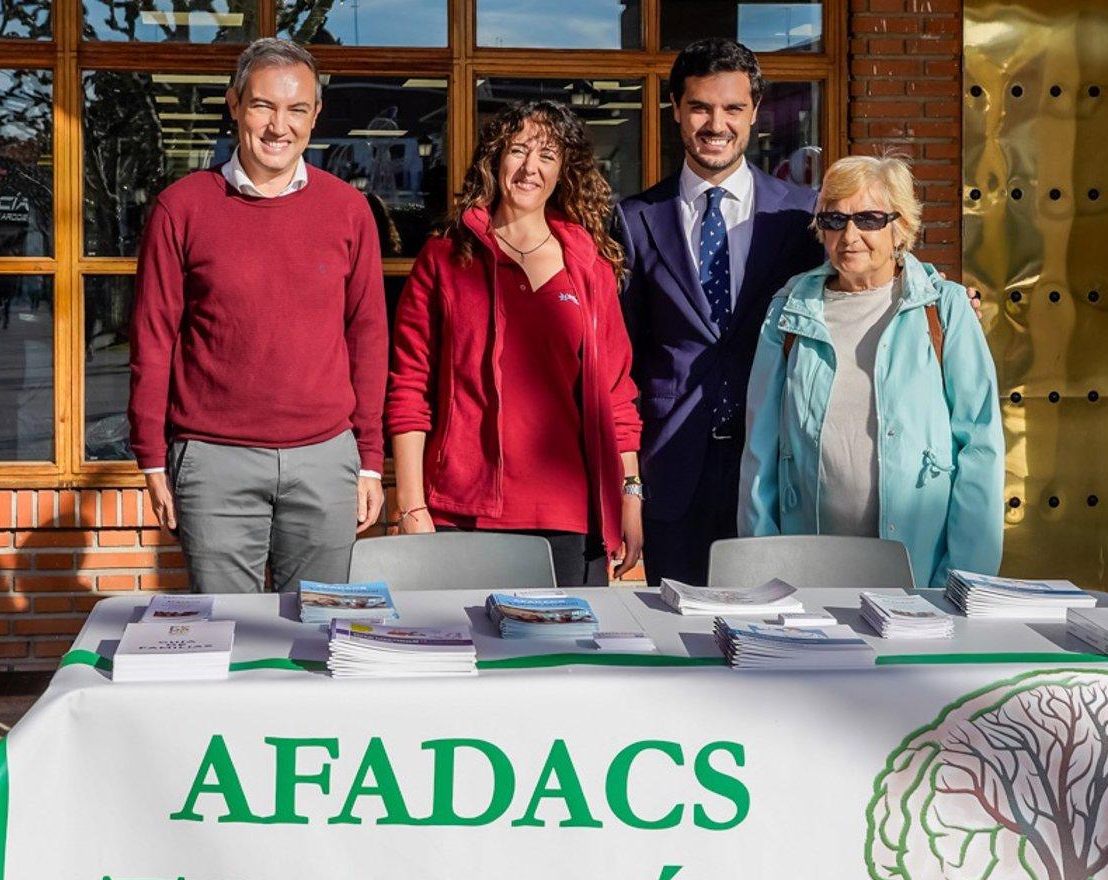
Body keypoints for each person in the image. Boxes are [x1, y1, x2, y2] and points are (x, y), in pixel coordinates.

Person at [128, 38, 387, 592]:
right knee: (225, 636)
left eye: (296, 109)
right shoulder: (183, 207)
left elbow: (367, 337)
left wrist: (369, 459)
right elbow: (154, 338)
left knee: (318, 632)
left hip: (325, 457)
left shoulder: (349, 210)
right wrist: (151, 457)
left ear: (315, 116)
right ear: (235, 105)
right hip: (214, 460)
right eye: (264, 106)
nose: (279, 126)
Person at [386, 100, 643, 588]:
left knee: (564, 662)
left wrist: (629, 494)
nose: (530, 168)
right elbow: (409, 391)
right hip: (463, 513)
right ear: (494, 158)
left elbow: (617, 392)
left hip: (571, 515)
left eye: (547, 155)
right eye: (518, 150)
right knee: (471, 659)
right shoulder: (444, 260)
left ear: (564, 170)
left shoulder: (589, 266)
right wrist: (411, 505)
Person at [737, 154, 1003, 588]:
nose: (850, 235)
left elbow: (980, 447)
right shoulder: (789, 310)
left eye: (869, 219)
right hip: (807, 571)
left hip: (920, 569)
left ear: (900, 226)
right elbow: (761, 451)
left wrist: (964, 580)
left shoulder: (945, 308)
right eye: (835, 220)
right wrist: (763, 570)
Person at [616, 38, 825, 587]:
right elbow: (623, 359)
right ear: (676, 110)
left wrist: (936, 291)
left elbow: (860, 280)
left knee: (776, 635)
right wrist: (629, 481)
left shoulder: (803, 214)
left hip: (776, 463)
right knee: (679, 642)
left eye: (733, 108)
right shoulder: (635, 220)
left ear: (754, 113)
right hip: (673, 466)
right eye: (701, 107)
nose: (717, 123)